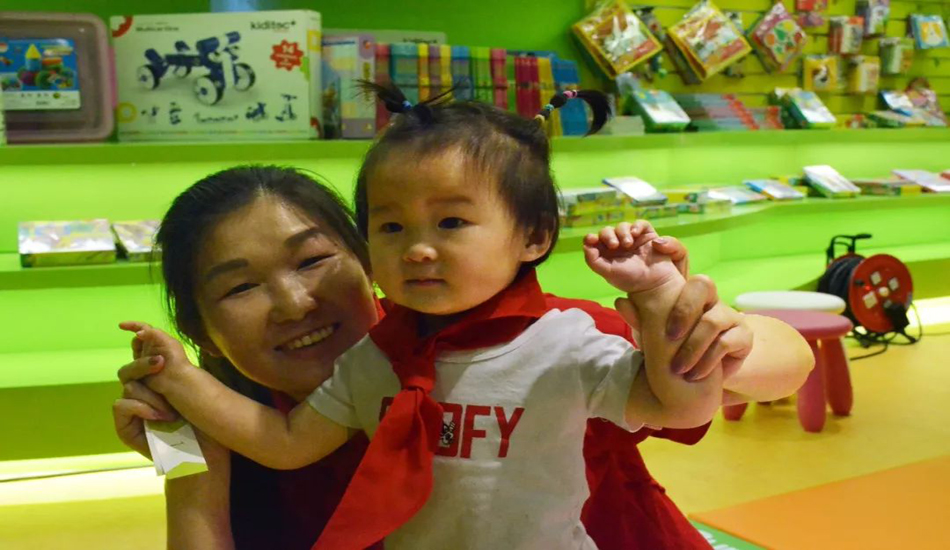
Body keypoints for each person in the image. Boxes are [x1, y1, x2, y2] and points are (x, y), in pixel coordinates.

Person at [120, 87, 810, 549]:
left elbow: (773, 365)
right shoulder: (311, 386)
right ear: (201, 332)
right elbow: (254, 468)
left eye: (313, 260)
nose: (294, 303)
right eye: (241, 288)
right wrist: (182, 422)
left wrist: (698, 331)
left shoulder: (544, 339)